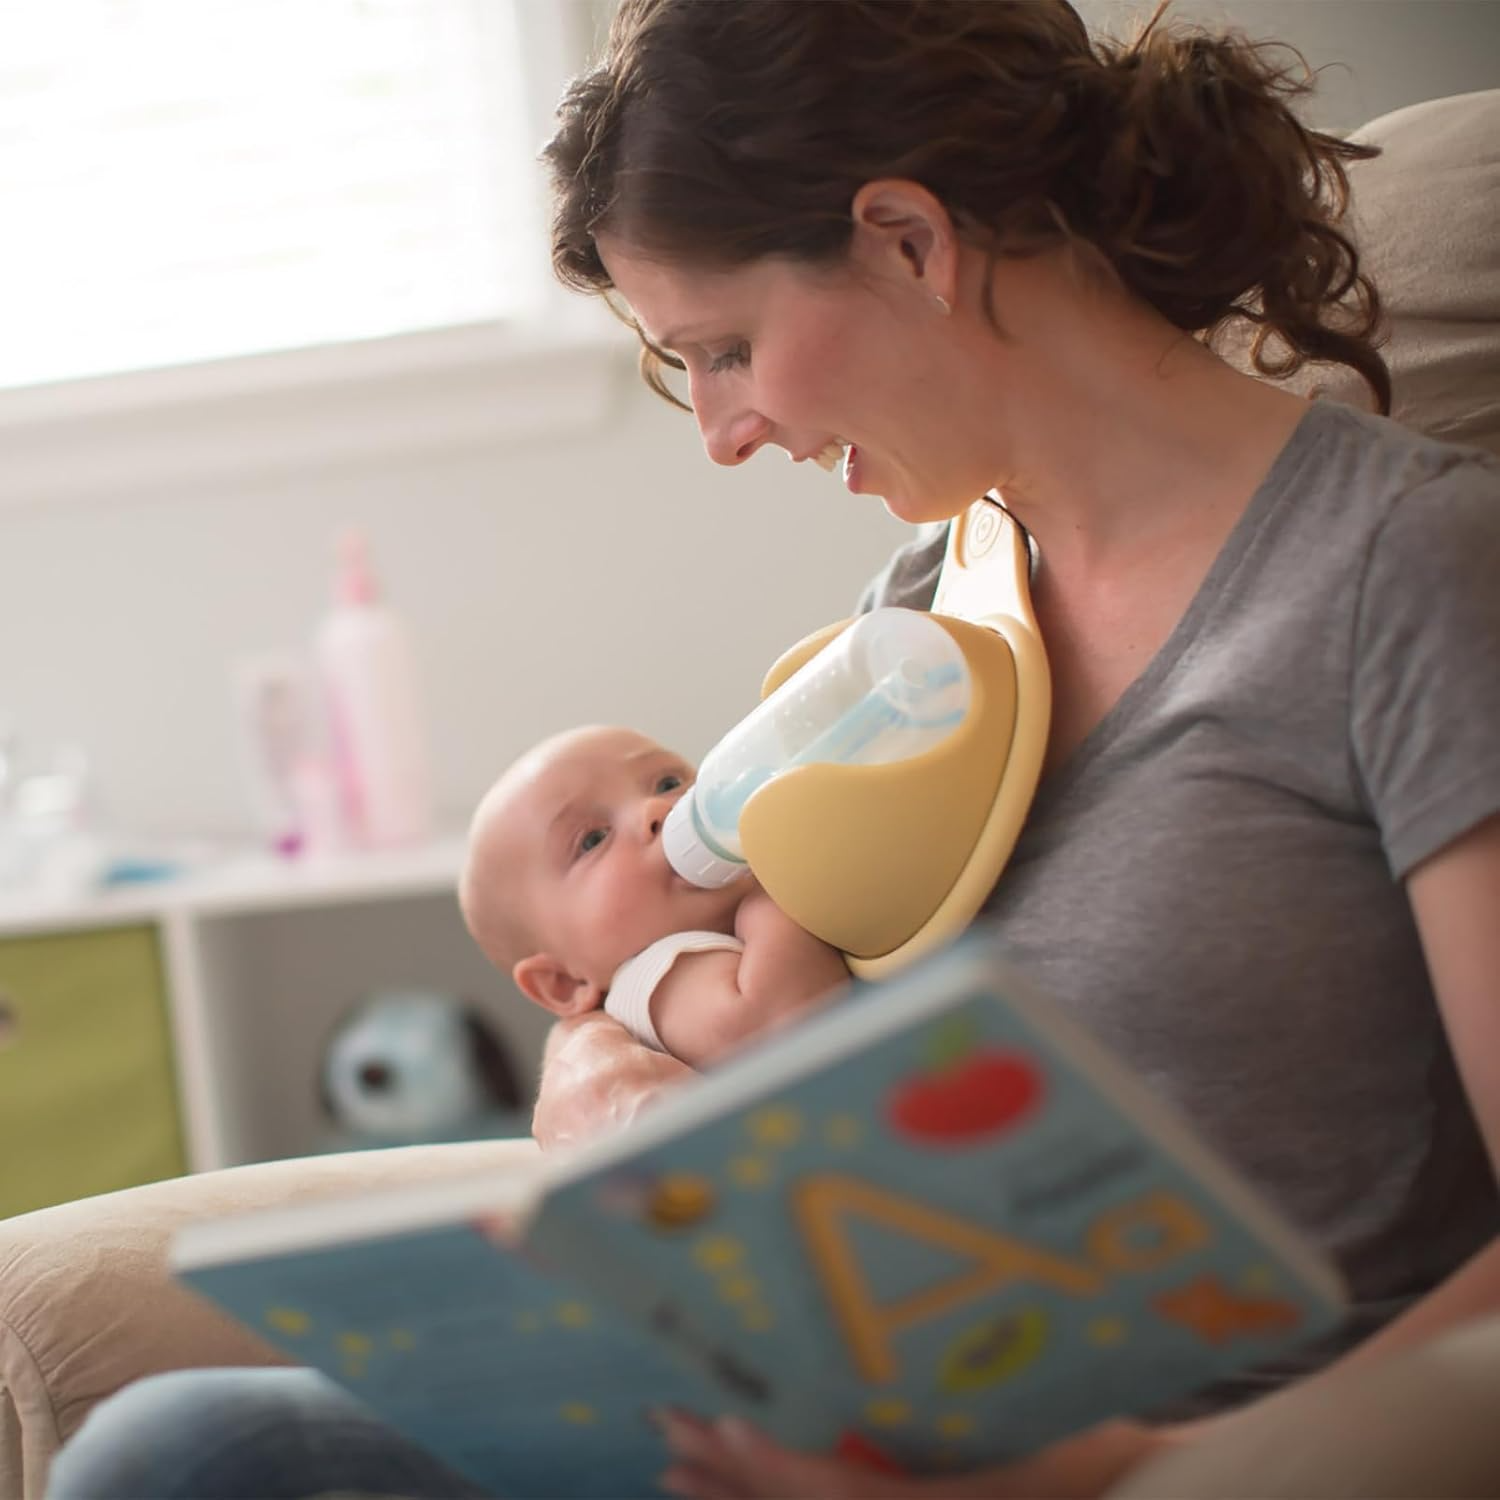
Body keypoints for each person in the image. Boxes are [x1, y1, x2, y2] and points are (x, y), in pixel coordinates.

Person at [44, 3, 1500, 1497]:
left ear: (907, 242)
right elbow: (659, 931)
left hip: (1203, 1446)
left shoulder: (1406, 571)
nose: (724, 435)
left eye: (726, 350)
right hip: (849, 1403)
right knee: (184, 1444)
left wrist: (1132, 1465)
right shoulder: (933, 611)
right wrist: (596, 1084)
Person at [459, 724, 850, 1067]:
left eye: (668, 783)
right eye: (593, 840)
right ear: (563, 981)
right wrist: (772, 890)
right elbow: (776, 1022)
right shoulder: (655, 975)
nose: (656, 809)